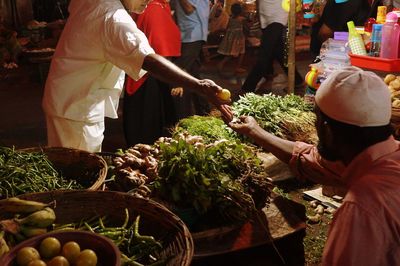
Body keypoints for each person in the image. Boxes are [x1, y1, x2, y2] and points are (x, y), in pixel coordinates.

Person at [228, 66, 400, 265]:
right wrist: (255, 131)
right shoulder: (379, 157)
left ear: (327, 130)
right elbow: (313, 160)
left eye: (317, 120)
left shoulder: (362, 209)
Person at [42, 0, 231, 153]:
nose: (149, 1)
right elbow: (147, 59)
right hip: (77, 106)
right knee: (77, 171)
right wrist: (199, 85)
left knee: (65, 162)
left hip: (67, 97)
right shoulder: (112, 17)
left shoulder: (96, 3)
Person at [123, 0, 181, 147]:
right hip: (150, 73)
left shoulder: (157, 6)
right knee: (149, 121)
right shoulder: (154, 8)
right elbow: (160, 45)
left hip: (150, 70)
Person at [240, 0, 305, 96]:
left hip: (278, 13)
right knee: (279, 52)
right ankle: (298, 81)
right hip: (265, 13)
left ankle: (248, 87)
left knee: (265, 53)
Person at [170, 0, 212, 119]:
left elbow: (189, 9)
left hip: (192, 35)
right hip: (189, 34)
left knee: (177, 75)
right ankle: (205, 111)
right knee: (194, 76)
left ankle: (181, 118)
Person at [217, 2, 247, 74]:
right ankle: (237, 67)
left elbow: (227, 28)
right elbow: (246, 27)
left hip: (231, 38)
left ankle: (222, 64)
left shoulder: (230, 18)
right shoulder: (242, 19)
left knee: (232, 53)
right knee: (241, 53)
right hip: (239, 38)